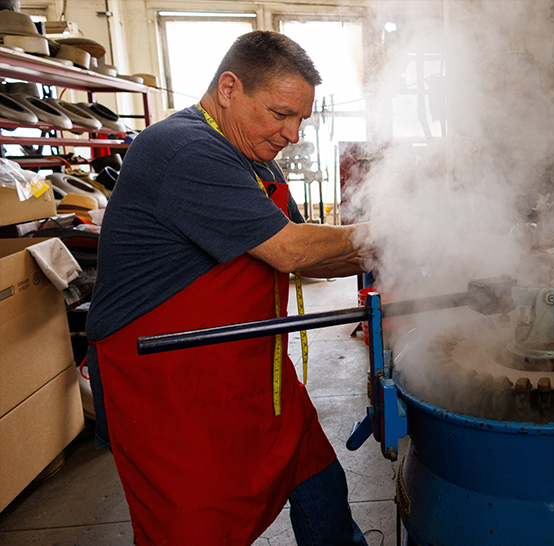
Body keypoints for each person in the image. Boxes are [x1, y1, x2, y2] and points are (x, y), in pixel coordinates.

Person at [86, 31, 371, 546]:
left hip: (248, 365)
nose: (293, 133)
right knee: (195, 526)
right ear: (229, 87)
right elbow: (290, 250)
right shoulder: (182, 148)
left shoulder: (254, 158)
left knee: (319, 483)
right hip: (171, 385)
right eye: (281, 113)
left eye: (302, 119)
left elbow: (310, 260)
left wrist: (403, 252)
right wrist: (391, 231)